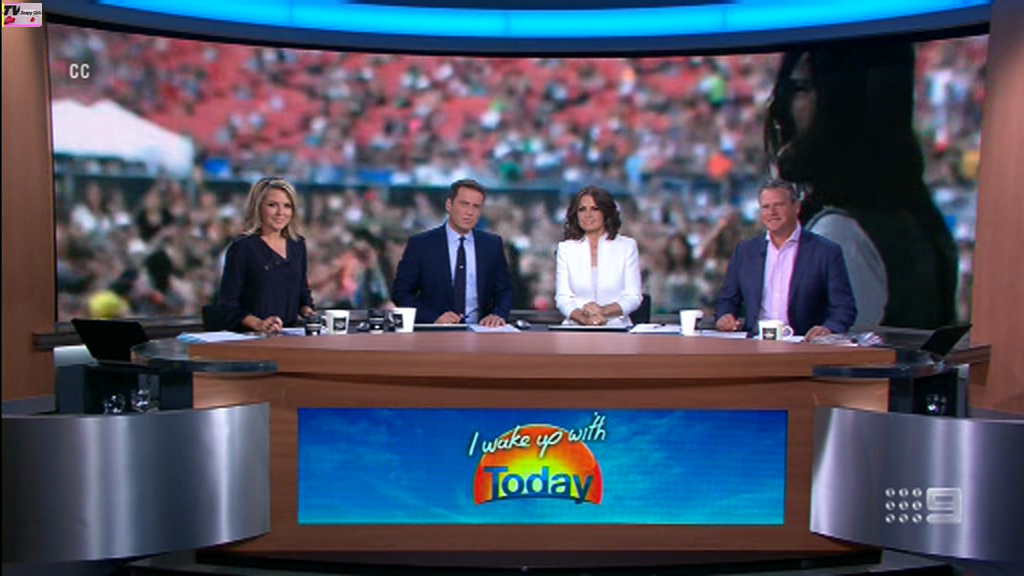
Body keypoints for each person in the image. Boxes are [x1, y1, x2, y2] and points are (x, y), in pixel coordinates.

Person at [764, 43, 957, 329]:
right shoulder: (915, 218)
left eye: (803, 87)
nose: (787, 106)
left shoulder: (840, 235)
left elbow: (821, 353)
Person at [715, 179, 856, 339]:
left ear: (797, 207)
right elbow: (727, 299)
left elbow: (844, 307)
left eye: (779, 205)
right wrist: (724, 316)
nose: (772, 212)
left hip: (803, 343)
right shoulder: (745, 251)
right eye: (766, 207)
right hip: (755, 341)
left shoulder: (826, 252)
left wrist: (829, 329)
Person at [391, 179, 512, 326]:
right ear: (449, 205)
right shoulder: (421, 245)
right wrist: (433, 318)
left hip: (481, 331)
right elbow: (401, 293)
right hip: (436, 332)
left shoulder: (491, 245)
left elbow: (504, 290)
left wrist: (498, 315)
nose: (470, 212)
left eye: (476, 207)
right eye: (464, 204)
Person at [219, 177, 314, 333]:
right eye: (272, 205)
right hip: (251, 336)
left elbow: (302, 291)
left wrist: (307, 310)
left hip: (289, 335)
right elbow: (228, 304)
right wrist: (259, 324)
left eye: (287, 206)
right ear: (258, 208)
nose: (280, 213)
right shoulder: (242, 248)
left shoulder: (297, 245)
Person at [555, 186, 642, 327]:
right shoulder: (566, 249)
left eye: (595, 209)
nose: (588, 215)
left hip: (616, 327)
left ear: (605, 213)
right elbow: (563, 298)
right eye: (582, 209)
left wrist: (602, 311)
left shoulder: (626, 247)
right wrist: (584, 319)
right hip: (575, 327)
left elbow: (633, 297)